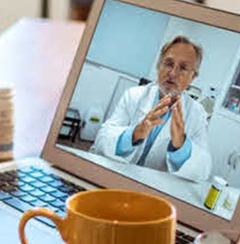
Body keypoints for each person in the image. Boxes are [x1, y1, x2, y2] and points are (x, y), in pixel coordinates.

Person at [90, 36, 214, 183]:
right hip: (116, 177)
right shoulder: (134, 95)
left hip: (155, 190)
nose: (173, 74)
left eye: (183, 68)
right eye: (168, 64)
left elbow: (203, 171)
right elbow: (101, 139)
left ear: (192, 77)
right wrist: (134, 134)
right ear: (158, 65)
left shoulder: (197, 115)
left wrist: (181, 145)